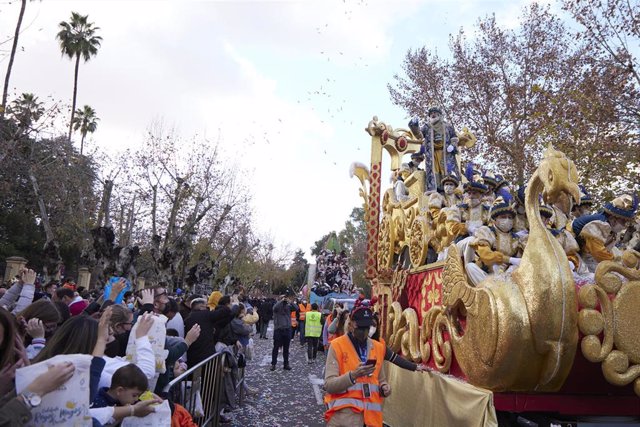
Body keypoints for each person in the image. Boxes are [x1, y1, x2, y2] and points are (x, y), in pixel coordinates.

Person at [324, 305, 390, 427]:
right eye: (360, 327)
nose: (364, 332)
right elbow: (329, 385)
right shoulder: (337, 346)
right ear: (351, 323)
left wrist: (384, 388)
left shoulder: (378, 347)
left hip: (372, 420)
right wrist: (353, 375)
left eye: (367, 327)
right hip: (345, 420)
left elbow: (381, 380)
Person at [572, 193, 638, 272]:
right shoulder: (600, 224)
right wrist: (616, 266)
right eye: (624, 220)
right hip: (570, 250)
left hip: (585, 253)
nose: (625, 225)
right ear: (614, 218)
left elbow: (607, 250)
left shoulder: (612, 230)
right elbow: (598, 252)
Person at [408, 106, 460, 192]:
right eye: (431, 114)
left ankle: (449, 188)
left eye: (435, 113)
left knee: (446, 169)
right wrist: (414, 126)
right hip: (432, 153)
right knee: (434, 170)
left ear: (439, 115)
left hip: (445, 153)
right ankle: (436, 188)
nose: (433, 115)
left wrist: (452, 145)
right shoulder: (427, 126)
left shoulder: (448, 126)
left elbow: (454, 137)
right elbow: (419, 136)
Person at [184, 295, 232, 366]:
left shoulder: (187, 319)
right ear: (200, 306)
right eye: (205, 306)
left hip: (192, 358)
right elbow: (224, 311)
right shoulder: (205, 314)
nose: (207, 308)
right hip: (207, 357)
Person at [271, 294, 295, 371]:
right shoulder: (277, 307)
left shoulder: (288, 307)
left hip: (287, 329)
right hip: (278, 329)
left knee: (286, 349)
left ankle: (286, 364)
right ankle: (273, 364)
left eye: (285, 298)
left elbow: (296, 308)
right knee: (276, 348)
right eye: (282, 298)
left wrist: (290, 301)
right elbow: (274, 308)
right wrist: (280, 301)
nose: (284, 299)